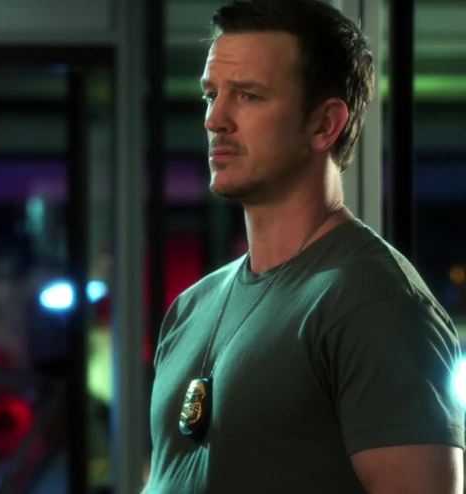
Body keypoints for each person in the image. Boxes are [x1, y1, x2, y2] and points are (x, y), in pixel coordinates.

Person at [147, 1, 464, 493]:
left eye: (249, 96)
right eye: (212, 94)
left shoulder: (375, 302)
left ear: (324, 125)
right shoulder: (191, 307)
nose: (215, 119)